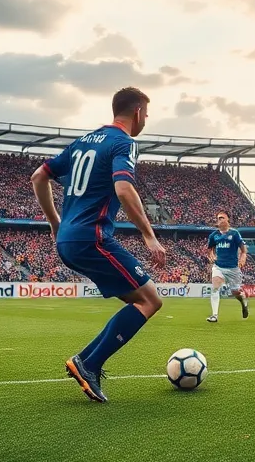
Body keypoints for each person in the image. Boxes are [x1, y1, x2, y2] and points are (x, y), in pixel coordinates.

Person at [30, 87, 166, 403]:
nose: (146, 118)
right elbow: (124, 189)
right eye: (146, 112)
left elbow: (39, 176)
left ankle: (85, 361)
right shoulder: (124, 142)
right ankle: (89, 363)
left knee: (140, 299)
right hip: (93, 238)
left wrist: (55, 222)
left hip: (69, 239)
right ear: (138, 112)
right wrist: (149, 235)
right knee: (151, 301)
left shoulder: (81, 143)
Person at [207, 211, 249, 322]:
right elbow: (210, 249)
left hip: (233, 268)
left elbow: (243, 248)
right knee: (215, 287)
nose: (219, 220)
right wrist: (211, 255)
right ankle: (214, 315)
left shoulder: (234, 234)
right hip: (219, 266)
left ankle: (244, 302)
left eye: (222, 218)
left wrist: (243, 257)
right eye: (218, 218)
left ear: (227, 220)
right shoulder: (214, 235)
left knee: (235, 292)